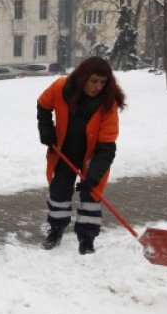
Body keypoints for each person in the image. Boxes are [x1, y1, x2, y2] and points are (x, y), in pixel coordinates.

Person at [37, 56, 126, 254]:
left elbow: (107, 146)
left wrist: (93, 176)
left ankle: (87, 238)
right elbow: (43, 105)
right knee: (59, 193)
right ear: (82, 77)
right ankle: (56, 230)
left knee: (91, 197)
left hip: (92, 158)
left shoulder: (107, 104)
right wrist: (46, 131)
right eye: (94, 81)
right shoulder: (61, 88)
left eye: (103, 82)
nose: (98, 87)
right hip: (64, 153)